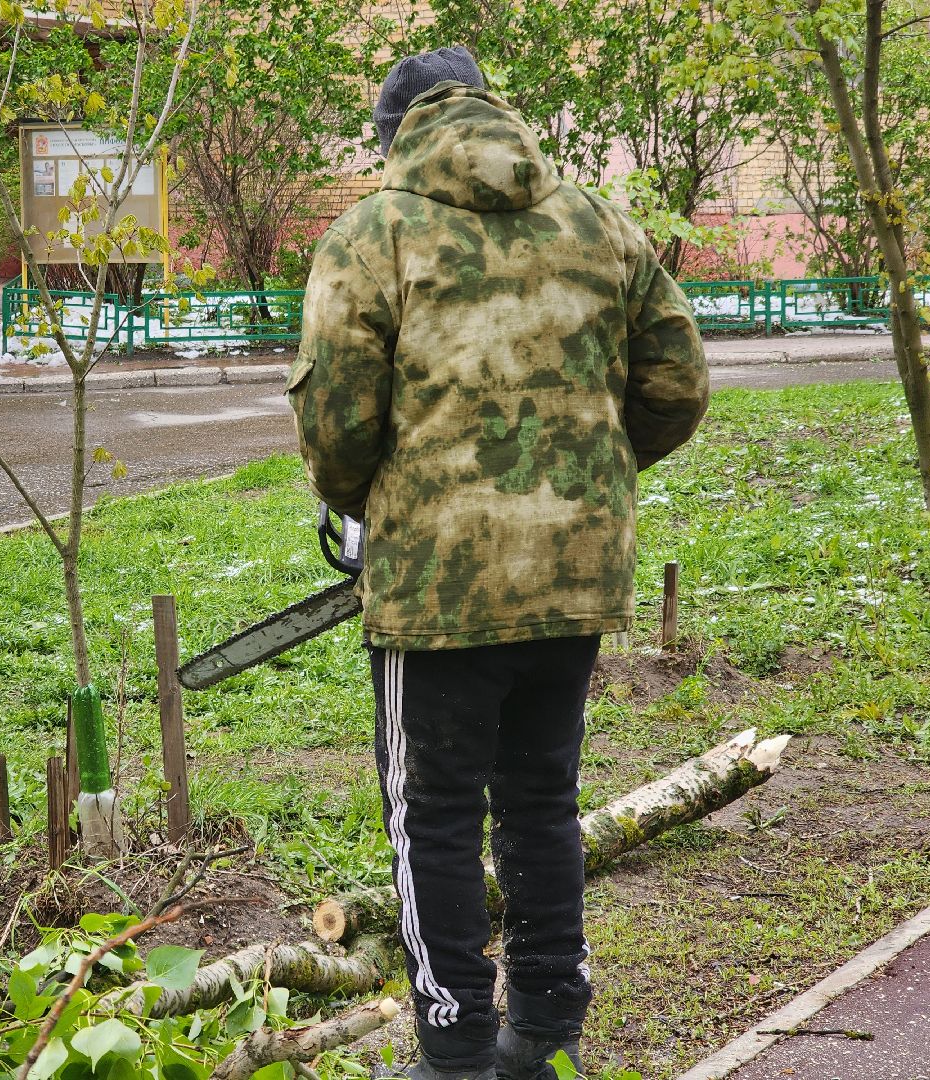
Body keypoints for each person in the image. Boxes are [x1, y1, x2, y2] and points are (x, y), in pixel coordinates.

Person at [287, 47, 709, 1080]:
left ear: (393, 137)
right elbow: (679, 382)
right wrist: (584, 485)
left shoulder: (374, 234)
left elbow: (338, 423)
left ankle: (456, 1047)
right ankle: (549, 1030)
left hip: (437, 593)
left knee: (432, 811)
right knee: (540, 800)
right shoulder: (598, 223)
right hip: (574, 579)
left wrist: (365, 507)